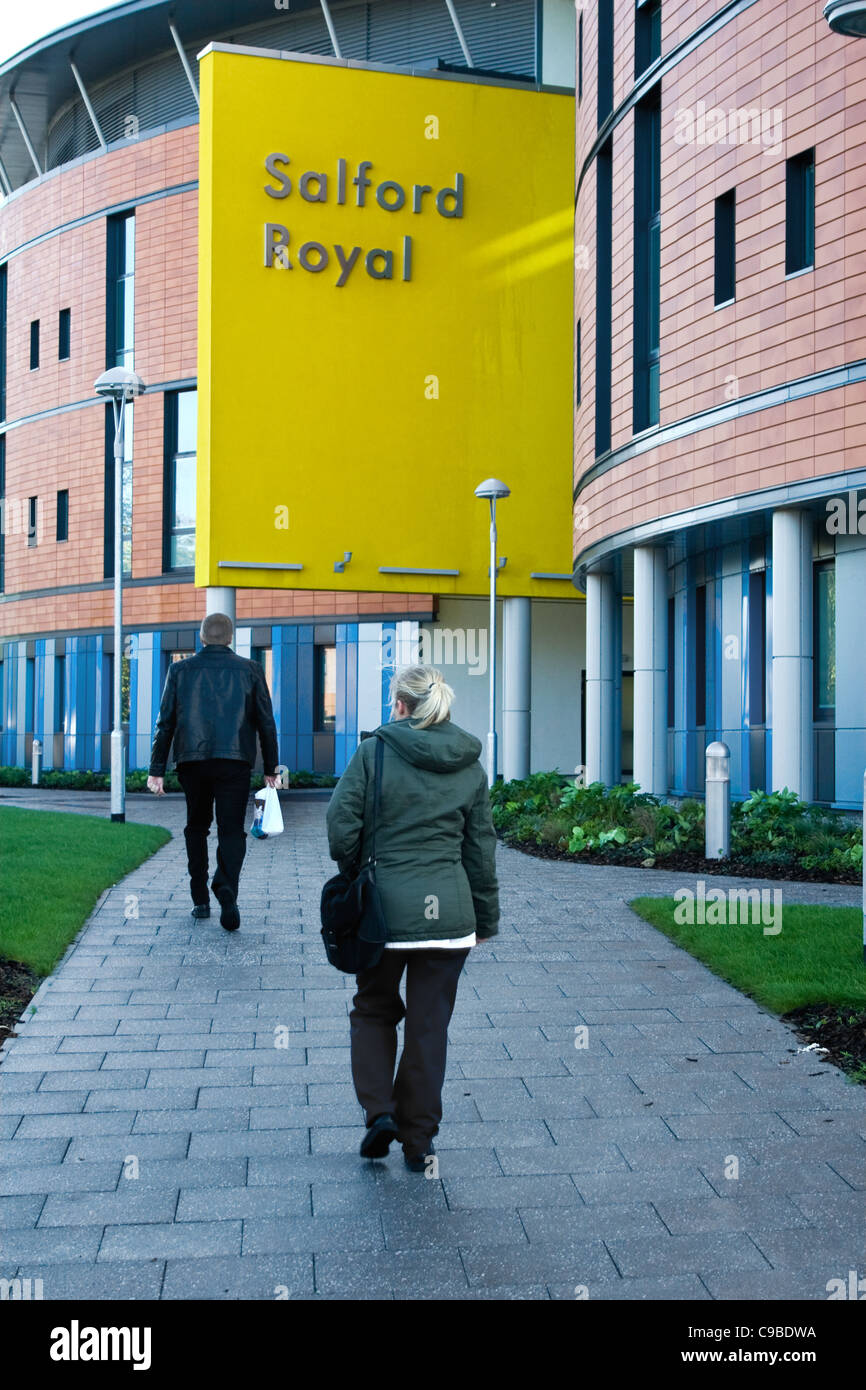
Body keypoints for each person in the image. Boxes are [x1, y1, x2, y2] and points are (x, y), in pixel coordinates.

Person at [326, 664, 499, 1171]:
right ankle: (419, 1139)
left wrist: (359, 871)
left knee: (374, 1008)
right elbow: (480, 850)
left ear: (400, 705)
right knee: (429, 1026)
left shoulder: (374, 751)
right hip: (450, 917)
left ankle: (379, 1112)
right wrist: (484, 919)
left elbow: (341, 828)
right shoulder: (469, 763)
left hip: (383, 913)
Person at [147, 611, 279, 932]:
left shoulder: (179, 670)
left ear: (202, 638)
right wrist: (271, 769)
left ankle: (199, 898)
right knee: (232, 830)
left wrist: (157, 769)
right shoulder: (251, 670)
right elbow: (266, 722)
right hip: (235, 761)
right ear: (230, 638)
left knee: (197, 827)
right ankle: (227, 888)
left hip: (192, 761)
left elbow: (166, 723)